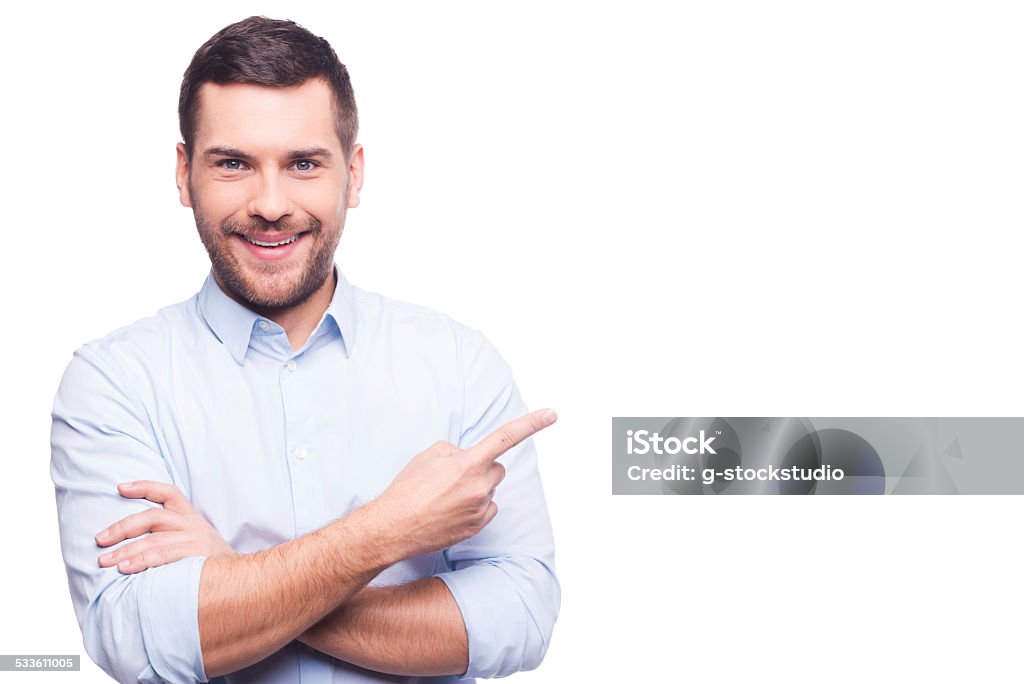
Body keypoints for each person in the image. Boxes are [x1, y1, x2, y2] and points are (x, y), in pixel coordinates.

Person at [49, 15, 559, 684]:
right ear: (183, 174)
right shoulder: (112, 382)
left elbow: (518, 619)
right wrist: (389, 529)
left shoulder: (459, 364)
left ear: (353, 174)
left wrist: (233, 579)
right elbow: (139, 638)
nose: (270, 203)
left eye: (303, 164)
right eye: (233, 163)